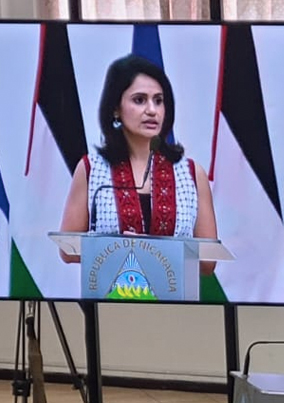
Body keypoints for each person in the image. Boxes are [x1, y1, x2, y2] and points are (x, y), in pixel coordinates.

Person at [59, 55, 219, 274]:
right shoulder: (92, 169)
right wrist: (122, 248)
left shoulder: (190, 173)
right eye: (139, 100)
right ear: (116, 108)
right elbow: (68, 251)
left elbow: (208, 262)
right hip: (112, 301)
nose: (152, 110)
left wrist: (149, 250)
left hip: (176, 303)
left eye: (159, 100)